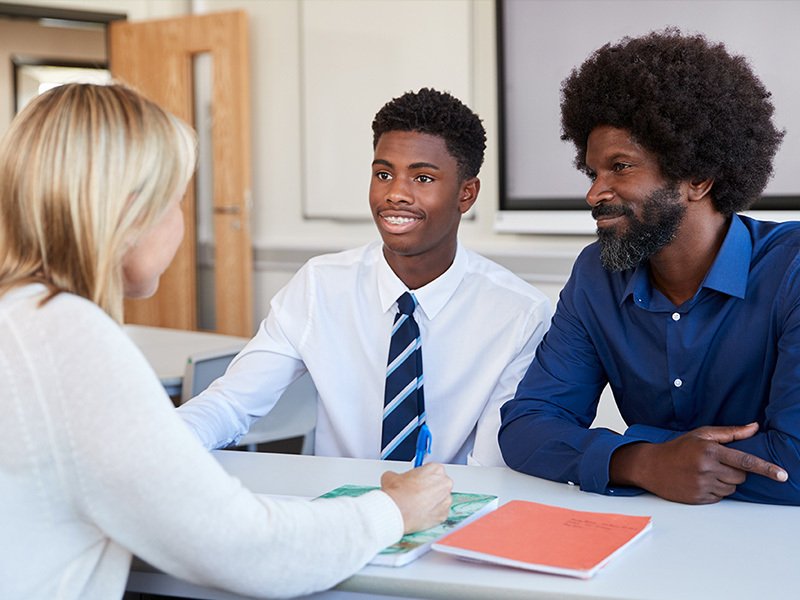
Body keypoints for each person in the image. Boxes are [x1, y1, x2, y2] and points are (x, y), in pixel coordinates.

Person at [0, 82, 453, 599]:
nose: (179, 222)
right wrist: (394, 511)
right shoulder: (68, 339)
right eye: (176, 201)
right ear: (126, 212)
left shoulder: (24, 319)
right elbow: (246, 549)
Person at [498, 28, 800, 506]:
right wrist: (643, 462)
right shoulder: (596, 275)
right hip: (641, 544)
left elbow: (795, 462)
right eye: (593, 171)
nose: (594, 193)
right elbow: (526, 426)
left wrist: (629, 454)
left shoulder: (792, 269)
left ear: (697, 177)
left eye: (620, 167)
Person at [177, 88, 552, 466]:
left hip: (452, 512)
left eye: (422, 178)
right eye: (383, 174)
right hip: (341, 512)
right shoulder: (320, 286)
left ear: (466, 194)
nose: (395, 194)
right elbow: (232, 402)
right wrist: (159, 447)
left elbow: (490, 466)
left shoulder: (517, 314)